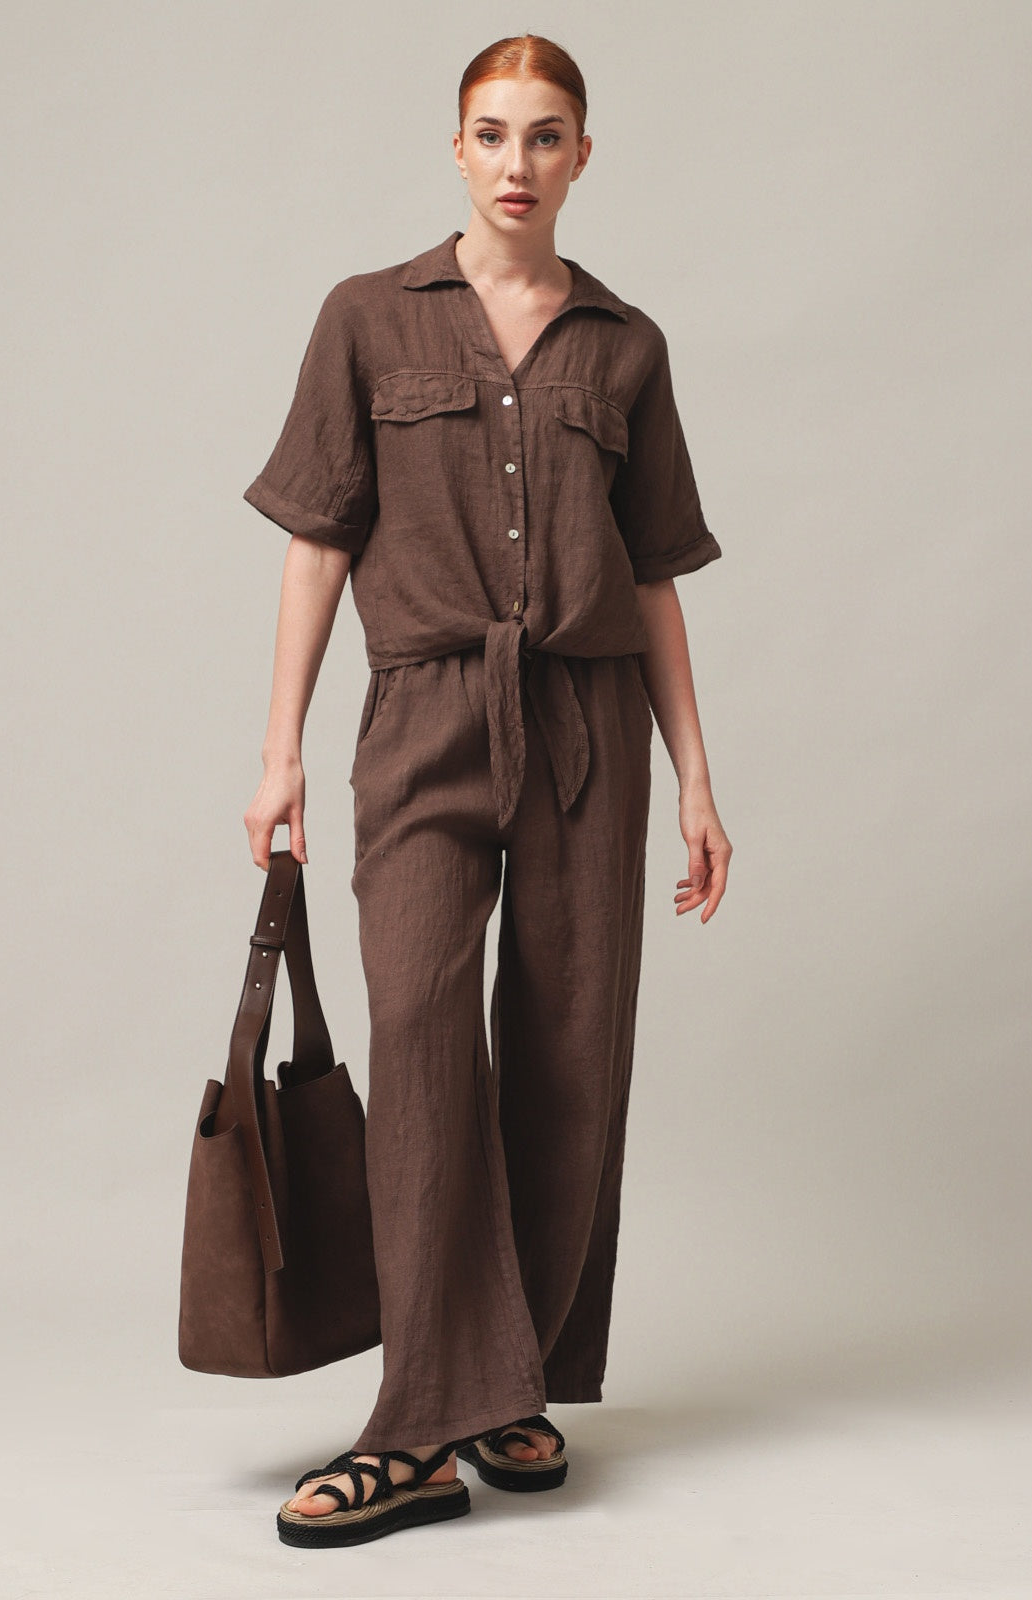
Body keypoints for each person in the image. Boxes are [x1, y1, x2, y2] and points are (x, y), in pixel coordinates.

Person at [241, 33, 733, 1550]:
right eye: (492, 132)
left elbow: (651, 576)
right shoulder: (367, 319)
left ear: (583, 155)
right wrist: (280, 749)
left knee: (572, 1049)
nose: (518, 161)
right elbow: (319, 539)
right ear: (455, 148)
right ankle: (415, 1426)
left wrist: (698, 777)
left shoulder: (626, 346)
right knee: (423, 1042)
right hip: (426, 713)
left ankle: (510, 1386)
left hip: (587, 719)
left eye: (547, 135)